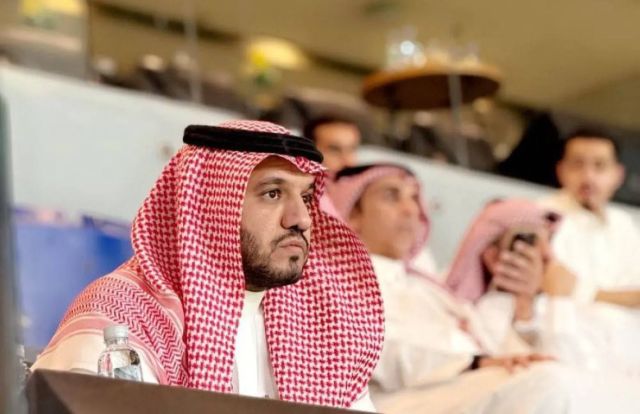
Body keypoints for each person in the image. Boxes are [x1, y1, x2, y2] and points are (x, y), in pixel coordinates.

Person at [31, 120, 384, 410]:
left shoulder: (323, 325)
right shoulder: (124, 315)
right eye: (272, 193)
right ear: (207, 207)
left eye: (305, 197)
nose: (301, 219)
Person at [331, 166, 640, 414]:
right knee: (550, 383)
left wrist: (522, 310)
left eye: (414, 197)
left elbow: (499, 351)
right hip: (403, 400)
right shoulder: (334, 279)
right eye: (391, 196)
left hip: (466, 387)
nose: (411, 209)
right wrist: (472, 362)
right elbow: (370, 349)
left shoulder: (430, 290)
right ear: (353, 214)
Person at [540, 128, 640, 306]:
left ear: (618, 175)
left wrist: (583, 291)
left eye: (599, 166)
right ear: (561, 171)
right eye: (577, 165)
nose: (588, 177)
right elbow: (550, 285)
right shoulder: (539, 217)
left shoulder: (624, 225)